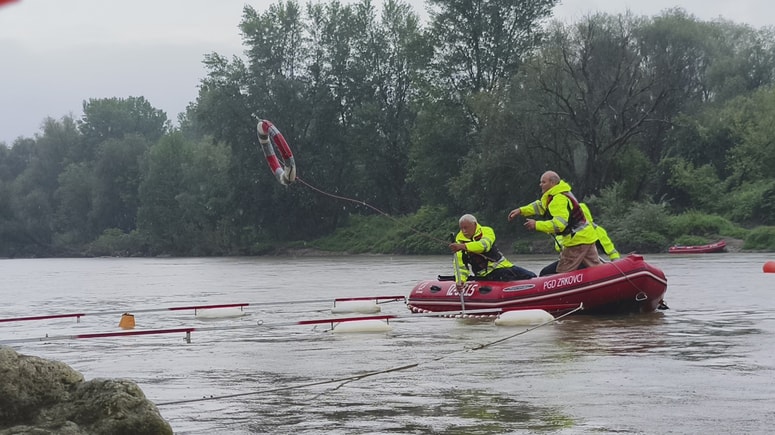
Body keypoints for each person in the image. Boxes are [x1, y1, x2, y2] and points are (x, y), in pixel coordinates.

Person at [508, 171, 601, 274]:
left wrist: (536, 225)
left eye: (543, 182)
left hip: (576, 241)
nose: (540, 185)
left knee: (562, 273)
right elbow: (541, 206)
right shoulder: (558, 193)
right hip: (587, 237)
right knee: (595, 268)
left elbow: (559, 225)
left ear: (552, 183)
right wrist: (521, 210)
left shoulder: (558, 199)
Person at [448, 214, 536, 288]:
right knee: (508, 277)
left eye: (466, 228)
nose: (464, 231)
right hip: (485, 275)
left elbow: (484, 245)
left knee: (531, 276)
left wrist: (464, 246)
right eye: (462, 228)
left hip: (504, 266)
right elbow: (460, 265)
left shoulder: (487, 231)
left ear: (475, 224)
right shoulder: (459, 241)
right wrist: (461, 280)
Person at [538, 203, 620, 276]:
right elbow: (559, 247)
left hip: (585, 264)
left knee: (546, 272)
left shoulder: (596, 230)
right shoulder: (565, 233)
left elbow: (609, 248)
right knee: (545, 272)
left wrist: (616, 262)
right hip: (573, 260)